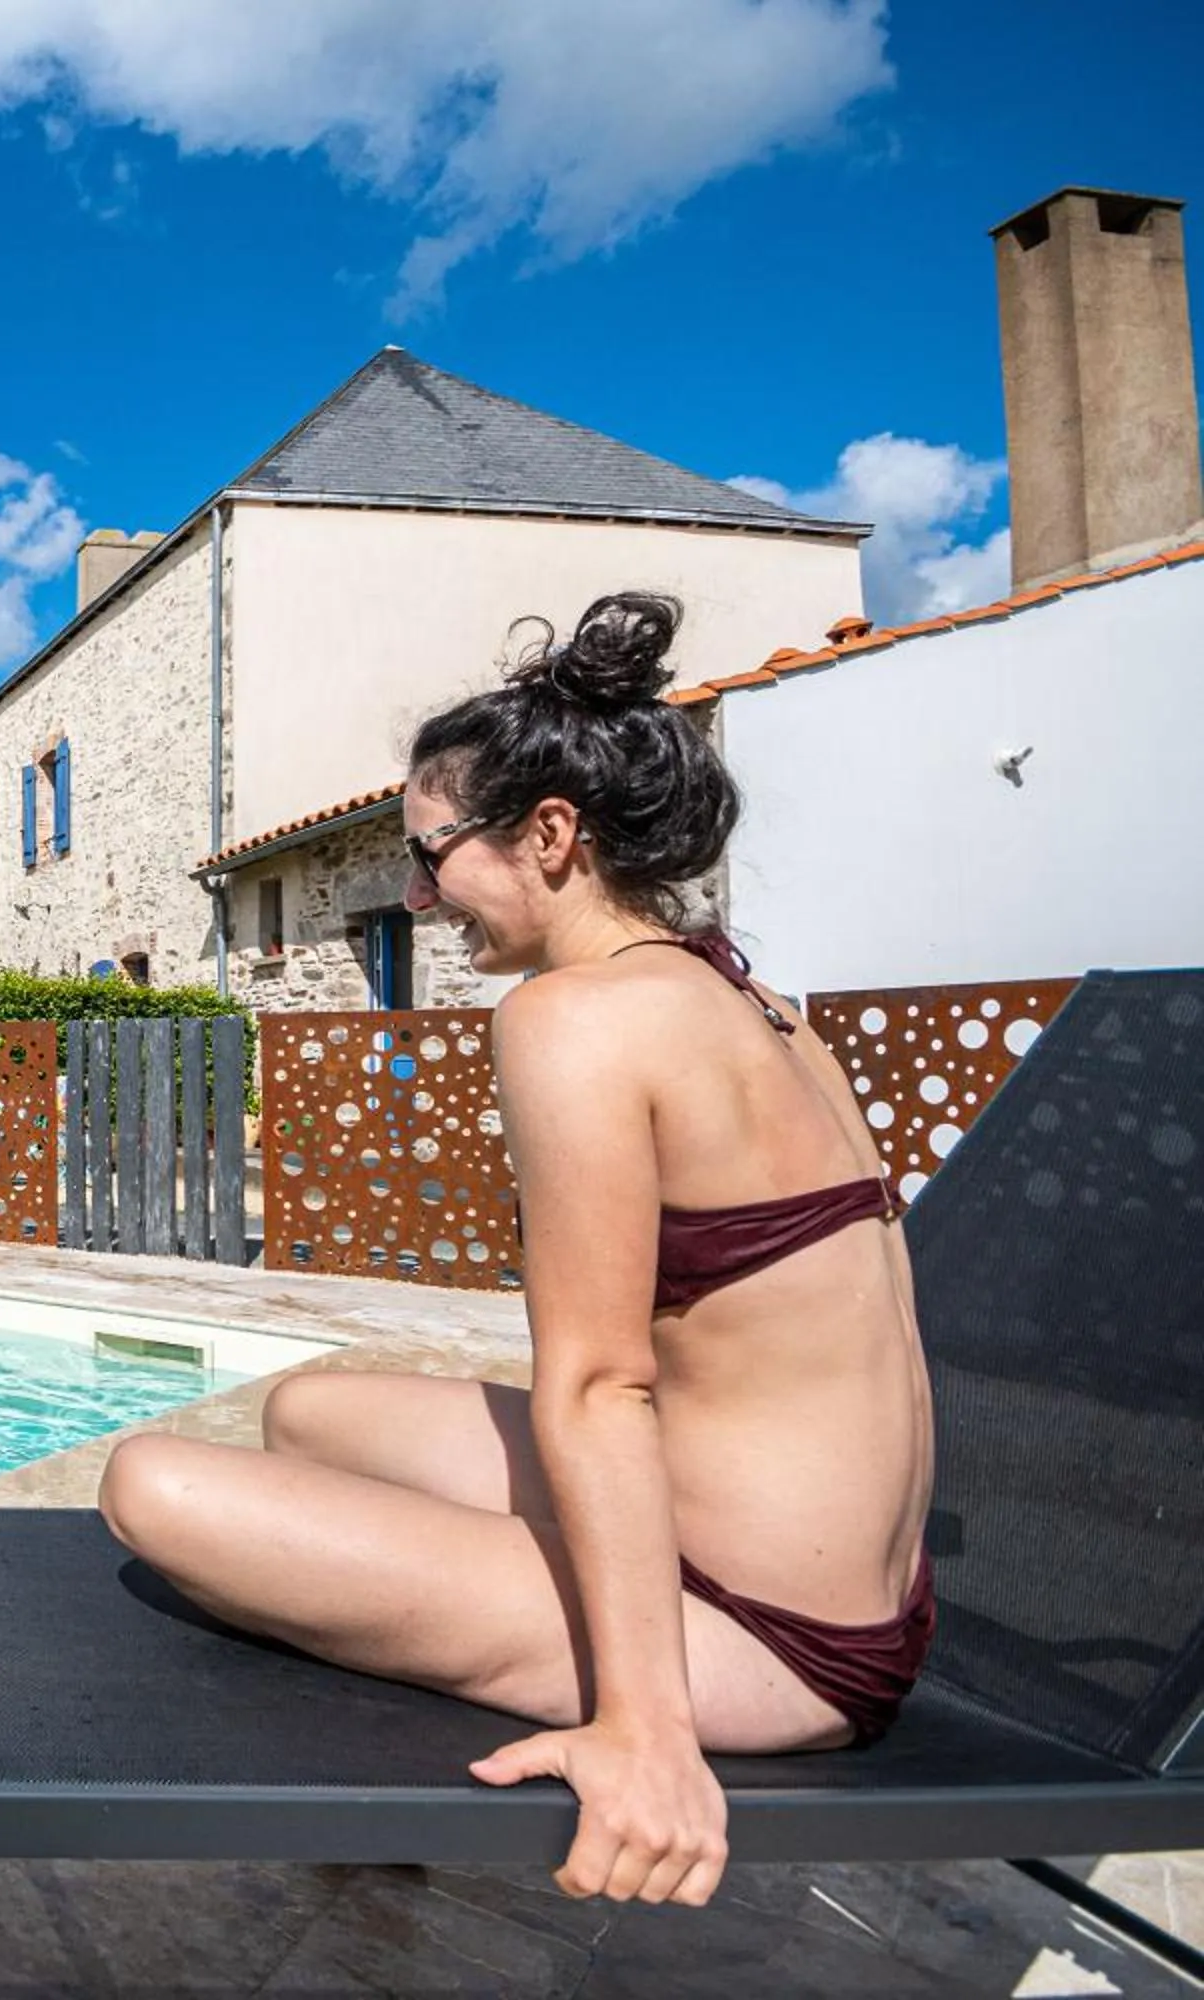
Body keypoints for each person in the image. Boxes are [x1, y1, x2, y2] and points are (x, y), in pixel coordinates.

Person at [98, 593, 932, 1910]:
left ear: (549, 835)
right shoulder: (759, 1005)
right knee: (307, 1412)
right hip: (842, 1584)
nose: (418, 897)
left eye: (431, 856)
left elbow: (600, 1383)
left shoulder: (574, 1018)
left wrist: (646, 1733)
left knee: (152, 1485)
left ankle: (586, 1687)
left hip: (768, 1639)